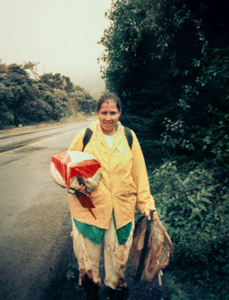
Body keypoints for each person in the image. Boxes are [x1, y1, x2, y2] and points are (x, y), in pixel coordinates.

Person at [68, 92, 157, 300]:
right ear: (97, 113)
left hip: (122, 212)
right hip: (88, 211)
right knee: (88, 266)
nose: (108, 117)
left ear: (120, 113)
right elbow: (68, 167)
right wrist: (77, 185)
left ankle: (115, 292)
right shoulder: (85, 136)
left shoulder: (129, 136)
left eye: (113, 113)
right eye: (104, 112)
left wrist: (146, 204)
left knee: (118, 267)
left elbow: (139, 173)